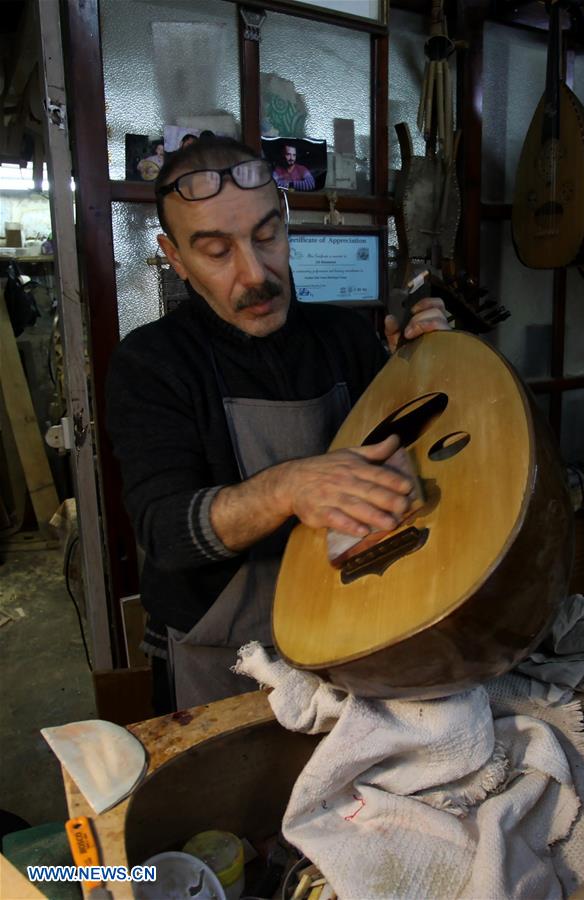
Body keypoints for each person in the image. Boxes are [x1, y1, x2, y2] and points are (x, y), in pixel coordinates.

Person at [106, 136, 449, 710]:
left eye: (267, 236)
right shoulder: (151, 363)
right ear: (175, 258)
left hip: (350, 624)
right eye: (217, 251)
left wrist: (425, 374)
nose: (255, 273)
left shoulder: (342, 336)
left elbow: (398, 459)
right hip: (225, 657)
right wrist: (289, 488)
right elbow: (164, 529)